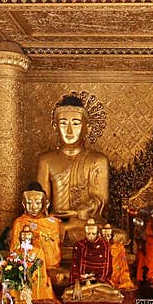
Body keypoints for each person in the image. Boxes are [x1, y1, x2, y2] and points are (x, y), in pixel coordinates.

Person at [36, 95, 126, 246]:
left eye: (76, 123)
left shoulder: (98, 160)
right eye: (63, 123)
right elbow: (42, 202)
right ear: (54, 126)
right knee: (28, 232)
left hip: (86, 224)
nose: (69, 130)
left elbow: (101, 200)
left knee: (119, 236)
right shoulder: (46, 160)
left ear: (87, 127)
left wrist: (77, 213)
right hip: (55, 223)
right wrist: (47, 218)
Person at [9, 182, 64, 282]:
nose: (34, 207)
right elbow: (15, 249)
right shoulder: (19, 223)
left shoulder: (53, 223)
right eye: (29, 203)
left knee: (60, 277)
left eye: (38, 203)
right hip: (26, 267)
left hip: (49, 268)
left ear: (46, 204)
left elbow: (54, 251)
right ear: (23, 204)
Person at [61, 218, 124, 303]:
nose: (90, 236)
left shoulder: (104, 245)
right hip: (82, 282)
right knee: (67, 293)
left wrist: (93, 283)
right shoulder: (79, 245)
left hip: (99, 283)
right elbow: (74, 267)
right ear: (85, 233)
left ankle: (90, 290)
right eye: (88, 233)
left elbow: (107, 270)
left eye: (93, 234)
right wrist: (77, 283)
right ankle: (90, 291)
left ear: (98, 233)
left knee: (114, 293)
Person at [9, 224, 58, 304]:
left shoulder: (38, 251)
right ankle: (16, 297)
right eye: (23, 234)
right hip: (19, 276)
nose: (25, 237)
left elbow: (41, 268)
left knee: (39, 281)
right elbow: (12, 265)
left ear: (32, 237)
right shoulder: (16, 251)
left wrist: (31, 273)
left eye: (28, 234)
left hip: (34, 276)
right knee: (12, 281)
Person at [101, 224, 135, 291]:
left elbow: (123, 263)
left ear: (112, 236)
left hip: (115, 276)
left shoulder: (119, 248)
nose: (106, 238)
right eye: (104, 236)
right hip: (101, 280)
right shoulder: (98, 247)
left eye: (108, 235)